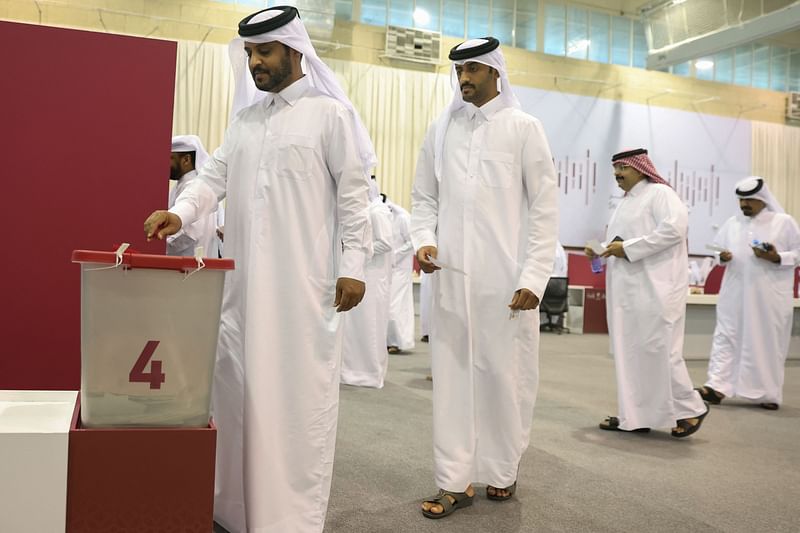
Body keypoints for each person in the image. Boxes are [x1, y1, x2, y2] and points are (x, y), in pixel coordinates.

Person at [143, 6, 375, 532]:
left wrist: (354, 265)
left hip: (301, 294)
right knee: (236, 395)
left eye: (264, 51)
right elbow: (210, 180)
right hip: (240, 294)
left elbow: (356, 200)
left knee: (293, 406)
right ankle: (234, 509)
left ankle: (289, 518)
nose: (255, 62)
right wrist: (178, 211)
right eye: (248, 53)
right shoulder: (245, 121)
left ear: (295, 50)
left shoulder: (329, 116)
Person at [411, 37, 558, 518]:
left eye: (474, 69)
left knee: (503, 376)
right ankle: (454, 480)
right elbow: (423, 198)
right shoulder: (442, 128)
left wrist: (534, 277)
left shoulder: (523, 128)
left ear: (496, 72)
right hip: (451, 279)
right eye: (459, 72)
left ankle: (501, 469)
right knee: (452, 378)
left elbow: (544, 209)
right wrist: (423, 241)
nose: (465, 79)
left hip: (505, 282)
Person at [585, 148, 709, 437]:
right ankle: (636, 415)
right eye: (614, 168)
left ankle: (691, 409)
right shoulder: (625, 202)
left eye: (622, 168)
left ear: (640, 168)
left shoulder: (660, 194)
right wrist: (602, 250)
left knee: (660, 350)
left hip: (657, 288)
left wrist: (626, 248)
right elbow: (621, 242)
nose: (616, 174)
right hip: (628, 291)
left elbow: (674, 230)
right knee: (631, 353)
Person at [697, 177, 800, 410]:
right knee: (726, 335)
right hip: (734, 293)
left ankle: (767, 394)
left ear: (763, 199)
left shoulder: (784, 223)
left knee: (766, 341)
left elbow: (798, 253)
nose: (744, 205)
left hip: (768, 297)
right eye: (741, 200)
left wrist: (776, 257)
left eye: (749, 200)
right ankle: (717, 386)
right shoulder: (733, 223)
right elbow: (717, 249)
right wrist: (721, 258)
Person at [341, 178, 394, 388]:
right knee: (360, 328)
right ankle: (356, 371)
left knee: (370, 327)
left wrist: (359, 249)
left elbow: (386, 243)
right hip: (366, 273)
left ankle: (368, 373)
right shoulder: (371, 211)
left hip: (372, 276)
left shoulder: (376, 212)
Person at [167, 135, 220, 257]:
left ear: (186, 160)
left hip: (192, 265)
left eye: (171, 158)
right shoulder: (180, 185)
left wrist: (160, 247)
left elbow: (190, 234)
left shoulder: (195, 188)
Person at [385, 196, 415, 354]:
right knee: (386, 305)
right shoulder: (383, 216)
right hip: (387, 269)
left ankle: (398, 341)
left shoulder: (402, 218)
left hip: (400, 269)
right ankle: (389, 340)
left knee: (396, 307)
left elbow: (412, 242)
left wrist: (395, 255)